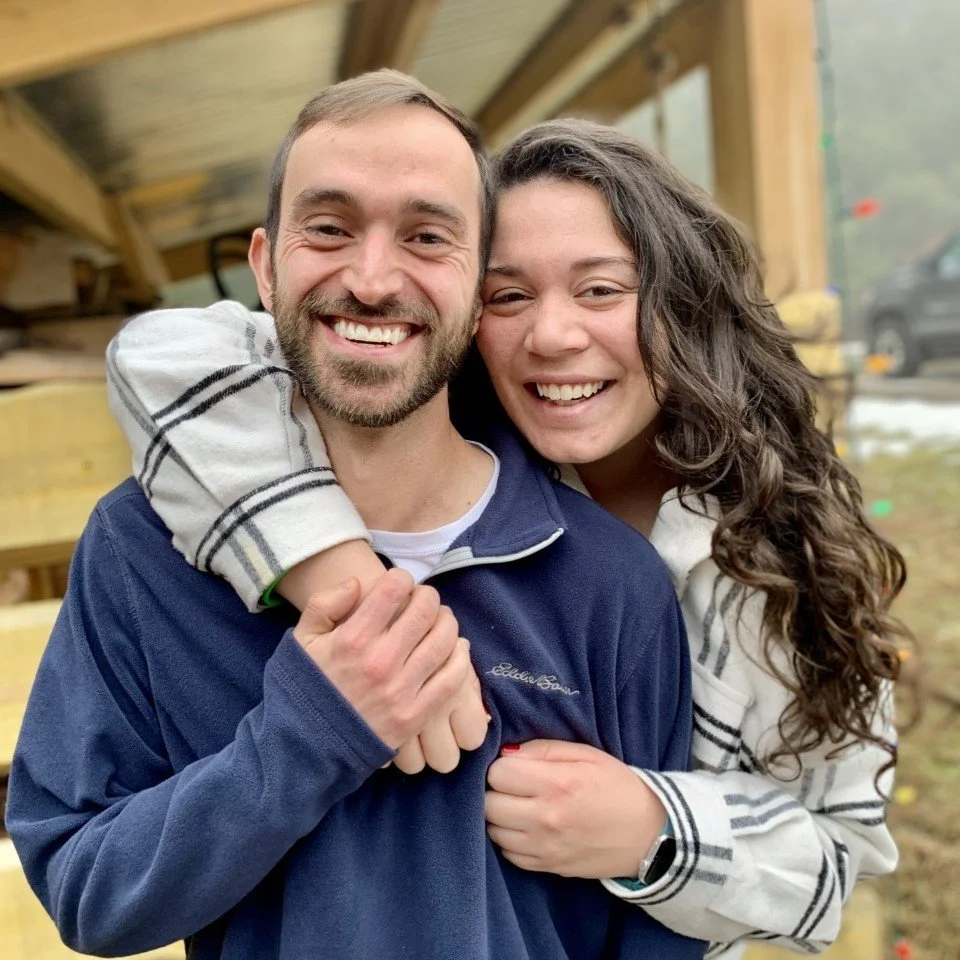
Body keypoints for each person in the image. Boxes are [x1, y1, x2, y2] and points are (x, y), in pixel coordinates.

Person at [94, 99, 909, 959]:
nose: (552, 335)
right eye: (508, 294)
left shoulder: (768, 562)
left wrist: (654, 831)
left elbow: (838, 857)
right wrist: (366, 604)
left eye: (600, 289)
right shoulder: (429, 458)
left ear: (685, 304)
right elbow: (164, 359)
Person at [5, 73, 705, 960]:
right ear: (264, 266)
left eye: (426, 236)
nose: (373, 280)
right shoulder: (144, 547)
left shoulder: (607, 581)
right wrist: (308, 732)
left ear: (476, 283)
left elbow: (656, 936)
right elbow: (85, 889)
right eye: (330, 229)